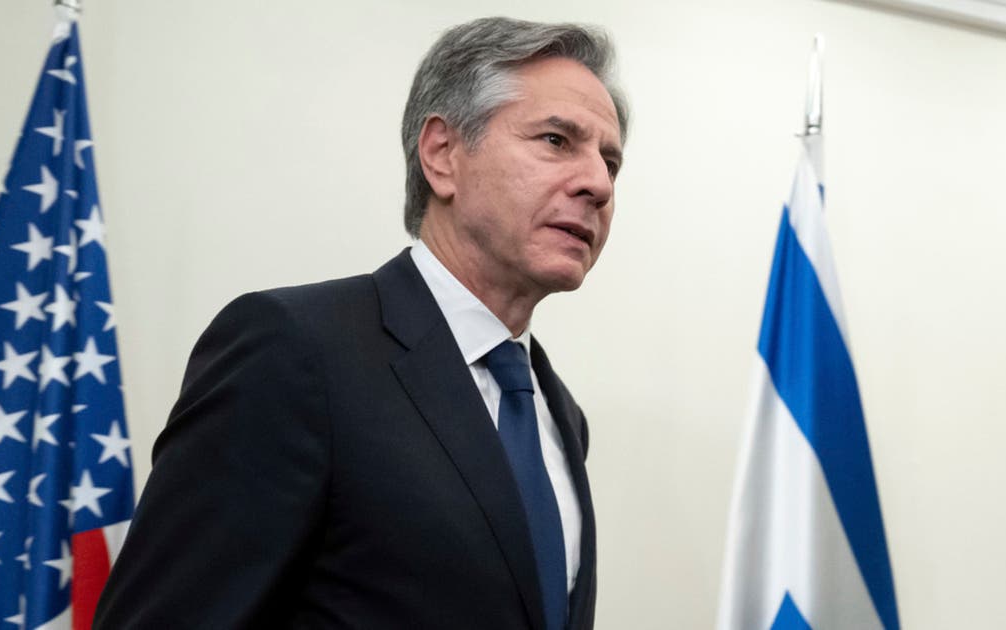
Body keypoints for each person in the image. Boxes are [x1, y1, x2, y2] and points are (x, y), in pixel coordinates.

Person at [94, 16, 627, 630]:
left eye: (610, 162)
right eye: (557, 140)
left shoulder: (558, 415)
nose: (597, 183)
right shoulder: (292, 353)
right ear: (442, 155)